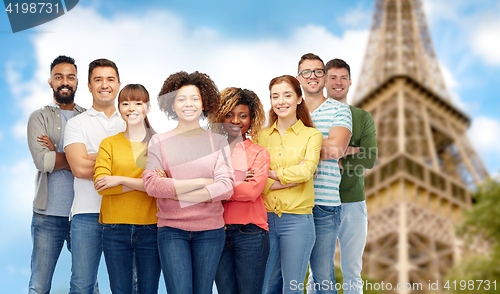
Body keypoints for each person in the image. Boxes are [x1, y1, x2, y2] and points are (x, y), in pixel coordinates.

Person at [142, 71, 234, 294]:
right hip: (172, 230)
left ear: (204, 103)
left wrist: (174, 191)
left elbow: (226, 186)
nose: (188, 104)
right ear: (172, 105)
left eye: (195, 98)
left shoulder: (218, 141)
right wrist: (203, 182)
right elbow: (152, 184)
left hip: (210, 231)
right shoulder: (159, 141)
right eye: (181, 99)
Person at [64, 59, 126, 294]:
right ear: (89, 86)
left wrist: (94, 156)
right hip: (86, 214)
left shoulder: (131, 122)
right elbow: (79, 168)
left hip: (124, 213)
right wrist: (120, 162)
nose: (104, 85)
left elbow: (145, 169)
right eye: (97, 79)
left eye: (110, 79)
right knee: (82, 285)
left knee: (127, 285)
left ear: (119, 84)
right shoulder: (76, 124)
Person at [258, 75, 323, 294]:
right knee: (264, 287)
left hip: (297, 222)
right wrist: (287, 179)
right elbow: (253, 177)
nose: (281, 101)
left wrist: (271, 174)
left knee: (292, 288)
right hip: (264, 220)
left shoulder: (312, 135)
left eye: (287, 95)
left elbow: (306, 171)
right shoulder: (260, 136)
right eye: (275, 96)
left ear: (298, 99)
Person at [93, 84, 161, 294]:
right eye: (125, 103)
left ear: (147, 107)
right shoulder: (109, 144)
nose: (131, 108)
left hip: (151, 227)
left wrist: (120, 179)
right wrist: (144, 183)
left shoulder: (158, 144)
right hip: (114, 228)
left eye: (138, 103)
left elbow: (159, 188)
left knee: (148, 290)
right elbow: (102, 185)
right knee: (120, 290)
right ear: (119, 108)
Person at [27, 55, 85, 294]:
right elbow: (44, 161)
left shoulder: (89, 118)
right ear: (50, 81)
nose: (65, 82)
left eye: (70, 77)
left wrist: (57, 152)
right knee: (39, 286)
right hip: (47, 215)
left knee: (87, 286)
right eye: (59, 77)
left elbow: (99, 162)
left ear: (78, 82)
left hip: (84, 215)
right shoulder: (38, 117)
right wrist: (77, 160)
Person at [296, 53, 353, 294]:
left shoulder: (340, 111)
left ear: (325, 77)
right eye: (306, 72)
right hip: (292, 203)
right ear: (299, 78)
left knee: (323, 277)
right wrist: (322, 143)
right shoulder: (289, 109)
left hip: (325, 203)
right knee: (283, 275)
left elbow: (338, 148)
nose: (313, 76)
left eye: (318, 71)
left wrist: (296, 148)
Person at [325, 58, 377, 294]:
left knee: (352, 271)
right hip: (320, 201)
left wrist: (334, 153)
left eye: (343, 78)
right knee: (320, 270)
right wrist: (350, 149)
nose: (338, 83)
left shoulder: (363, 117)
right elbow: (306, 155)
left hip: (353, 201)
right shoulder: (314, 114)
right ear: (325, 81)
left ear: (350, 82)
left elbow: (369, 157)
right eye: (333, 77)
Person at [212, 88, 270, 294]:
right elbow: (200, 189)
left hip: (251, 233)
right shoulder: (211, 152)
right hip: (216, 233)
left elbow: (252, 191)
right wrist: (237, 178)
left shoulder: (259, 153)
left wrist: (218, 188)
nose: (235, 120)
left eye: (243, 115)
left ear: (252, 119)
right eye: (229, 114)